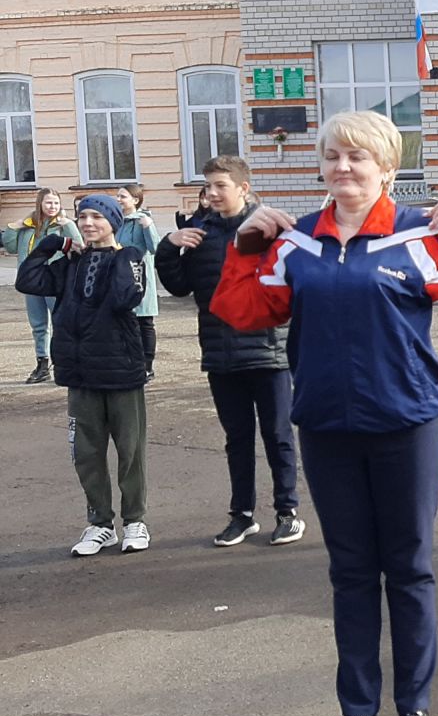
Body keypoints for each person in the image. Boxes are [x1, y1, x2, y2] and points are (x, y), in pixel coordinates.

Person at [211, 110, 438, 716]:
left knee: (410, 571)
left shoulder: (420, 236)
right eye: (333, 156)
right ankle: (357, 711)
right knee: (351, 574)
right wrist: (243, 248)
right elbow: (241, 311)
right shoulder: (297, 243)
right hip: (327, 430)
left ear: (386, 168)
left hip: (407, 428)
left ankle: (413, 706)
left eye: (358, 157)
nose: (343, 167)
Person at [155, 156, 302, 548]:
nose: (213, 193)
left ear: (243, 188)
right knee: (237, 439)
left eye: (221, 185)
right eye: (208, 186)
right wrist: (168, 247)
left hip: (268, 352)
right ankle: (242, 515)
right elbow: (179, 287)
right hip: (220, 354)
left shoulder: (268, 230)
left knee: (278, 436)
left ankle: (287, 512)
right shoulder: (198, 233)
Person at [16, 194, 151, 556]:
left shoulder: (129, 258)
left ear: (113, 221)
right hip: (80, 374)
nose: (88, 223)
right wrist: (53, 245)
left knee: (130, 451)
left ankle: (135, 520)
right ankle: (100, 523)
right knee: (87, 454)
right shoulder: (70, 264)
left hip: (120, 372)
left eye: (97, 217)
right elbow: (27, 281)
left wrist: (116, 253)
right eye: (83, 217)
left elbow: (125, 297)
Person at [4, 188, 82, 384]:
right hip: (33, 281)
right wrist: (14, 226)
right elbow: (11, 247)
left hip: (55, 281)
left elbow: (79, 246)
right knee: (38, 324)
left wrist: (69, 225)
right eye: (48, 202)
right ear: (39, 204)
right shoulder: (29, 226)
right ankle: (42, 363)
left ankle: (64, 362)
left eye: (56, 203)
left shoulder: (62, 225)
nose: (52, 206)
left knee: (61, 322)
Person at [114, 184, 160, 379]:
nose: (118, 199)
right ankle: (129, 363)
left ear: (135, 200)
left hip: (139, 276)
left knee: (144, 322)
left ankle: (147, 366)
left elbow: (155, 247)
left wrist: (148, 226)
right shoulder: (116, 221)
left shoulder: (143, 220)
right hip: (120, 277)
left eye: (123, 196)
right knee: (124, 322)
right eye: (118, 196)